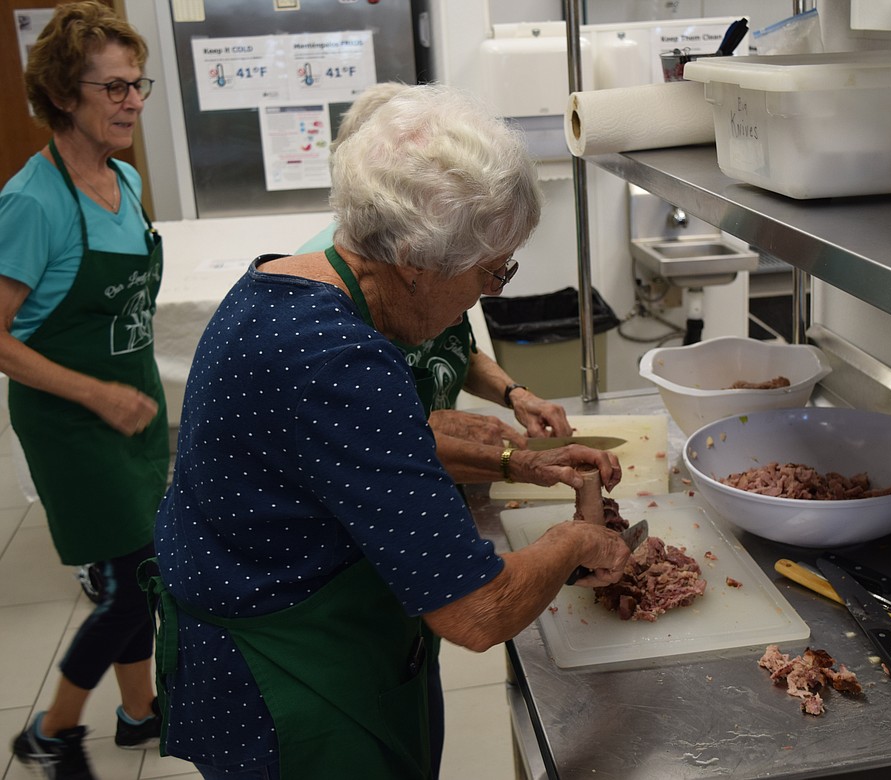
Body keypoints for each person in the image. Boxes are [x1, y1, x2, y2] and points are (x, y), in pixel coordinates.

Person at [150, 83, 632, 780]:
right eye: (490, 273)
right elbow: (476, 612)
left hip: (268, 619)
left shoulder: (281, 285)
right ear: (414, 260)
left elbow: (381, 454)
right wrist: (579, 538)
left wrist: (518, 459)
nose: (485, 296)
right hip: (291, 677)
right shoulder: (339, 360)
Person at [1, 3, 165, 778]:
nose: (132, 102)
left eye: (138, 85)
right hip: (73, 423)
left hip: (131, 407)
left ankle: (139, 712)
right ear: (66, 94)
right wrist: (95, 396)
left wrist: (123, 395)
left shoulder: (125, 180)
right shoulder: (33, 203)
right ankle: (50, 732)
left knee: (142, 572)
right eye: (114, 89)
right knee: (125, 589)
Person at [299, 82, 577, 483]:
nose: (493, 287)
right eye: (490, 271)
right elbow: (359, 435)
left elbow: (453, 345)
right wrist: (441, 430)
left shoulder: (440, 260)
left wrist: (513, 393)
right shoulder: (347, 284)